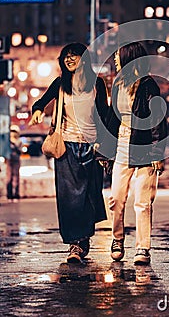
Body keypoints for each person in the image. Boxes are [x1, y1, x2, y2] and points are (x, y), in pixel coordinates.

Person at [29, 42, 108, 263]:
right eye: (66, 56)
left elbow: (104, 114)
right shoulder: (61, 84)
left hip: (92, 148)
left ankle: (83, 240)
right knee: (69, 199)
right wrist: (37, 111)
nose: (70, 59)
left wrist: (106, 145)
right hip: (67, 147)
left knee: (90, 196)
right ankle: (75, 245)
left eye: (74, 56)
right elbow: (41, 102)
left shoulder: (97, 85)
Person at [102, 42, 167, 265]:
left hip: (144, 149)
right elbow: (112, 118)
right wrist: (105, 152)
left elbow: (158, 119)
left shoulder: (149, 85)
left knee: (143, 202)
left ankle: (142, 248)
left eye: (119, 57)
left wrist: (158, 151)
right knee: (116, 199)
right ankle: (117, 239)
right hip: (121, 146)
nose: (116, 61)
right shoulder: (118, 84)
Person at [7, 125, 22, 200]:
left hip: (16, 159)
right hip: (9, 160)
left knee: (16, 176)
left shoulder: (19, 141)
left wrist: (15, 143)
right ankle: (9, 194)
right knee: (9, 177)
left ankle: (16, 194)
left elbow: (20, 151)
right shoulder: (7, 141)